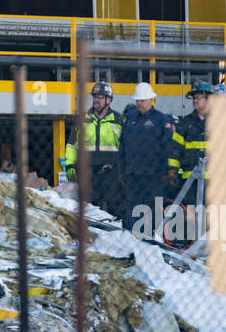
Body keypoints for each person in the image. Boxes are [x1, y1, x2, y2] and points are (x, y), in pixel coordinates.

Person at [118, 82, 179, 229]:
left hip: (154, 175)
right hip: (133, 174)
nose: (139, 103)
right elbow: (123, 147)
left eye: (142, 100)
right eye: (137, 100)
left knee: (153, 208)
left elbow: (168, 146)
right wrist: (122, 170)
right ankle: (135, 238)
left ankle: (153, 238)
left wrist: (168, 170)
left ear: (151, 100)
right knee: (134, 207)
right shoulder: (130, 119)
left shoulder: (160, 119)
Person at [62, 81, 125, 218]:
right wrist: (70, 165)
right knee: (90, 209)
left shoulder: (118, 120)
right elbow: (72, 145)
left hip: (112, 172)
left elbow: (126, 147)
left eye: (100, 97)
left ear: (109, 100)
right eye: (95, 96)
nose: (96, 100)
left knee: (115, 207)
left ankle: (117, 235)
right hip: (88, 172)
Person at [170, 81, 213, 206]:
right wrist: (172, 170)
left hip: (213, 180)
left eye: (199, 97)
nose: (195, 100)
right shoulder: (185, 123)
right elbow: (175, 149)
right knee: (190, 212)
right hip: (190, 179)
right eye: (194, 98)